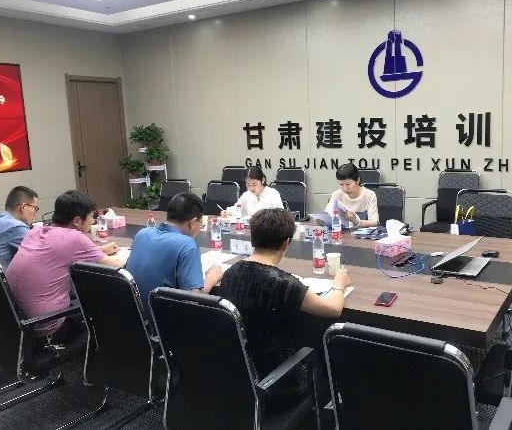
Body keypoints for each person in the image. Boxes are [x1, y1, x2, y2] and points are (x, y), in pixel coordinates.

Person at [219, 208, 351, 407]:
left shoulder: (231, 271)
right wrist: (339, 285)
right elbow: (333, 309)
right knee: (323, 349)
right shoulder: (283, 284)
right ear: (285, 243)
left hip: (236, 375)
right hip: (276, 384)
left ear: (252, 238)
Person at [5, 190, 121, 339]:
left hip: (18, 322)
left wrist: (99, 250)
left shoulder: (35, 232)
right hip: (49, 325)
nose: (92, 221)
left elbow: (60, 252)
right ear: (77, 221)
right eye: (91, 216)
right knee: (103, 298)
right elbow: (116, 267)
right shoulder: (74, 238)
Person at [126, 192, 223, 306]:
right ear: (192, 222)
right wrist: (211, 278)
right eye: (200, 223)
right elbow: (193, 299)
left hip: (133, 312)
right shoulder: (187, 245)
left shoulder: (142, 234)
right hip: (162, 315)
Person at [0, 186, 39, 269]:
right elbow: (40, 254)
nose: (35, 213)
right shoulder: (16, 227)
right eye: (35, 208)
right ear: (23, 207)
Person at [325, 163, 379, 228]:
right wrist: (321, 221)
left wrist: (356, 221)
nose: (345, 188)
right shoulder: (337, 194)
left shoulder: (369, 195)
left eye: (348, 184)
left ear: (358, 180)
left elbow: (374, 222)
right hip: (342, 232)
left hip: (363, 233)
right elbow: (327, 215)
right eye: (341, 184)